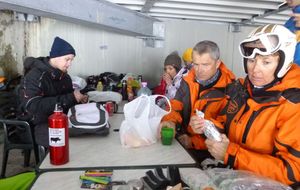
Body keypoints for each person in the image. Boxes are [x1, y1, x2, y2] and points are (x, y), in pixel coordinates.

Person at [191, 24, 300, 186]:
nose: (255, 69)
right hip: (233, 178)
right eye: (251, 60)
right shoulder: (241, 89)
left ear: (283, 63)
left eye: (266, 62)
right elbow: (224, 123)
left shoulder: (293, 104)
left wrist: (232, 155)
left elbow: (292, 172)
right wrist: (205, 125)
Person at [159, 41, 235, 162]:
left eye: (205, 65)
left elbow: (227, 132)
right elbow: (176, 104)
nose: (199, 70)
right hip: (183, 147)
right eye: (196, 64)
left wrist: (193, 142)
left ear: (217, 64)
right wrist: (170, 121)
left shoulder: (230, 89)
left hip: (210, 155)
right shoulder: (188, 80)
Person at [19, 36, 88, 147]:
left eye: (71, 60)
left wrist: (79, 99)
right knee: (63, 141)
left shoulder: (64, 77)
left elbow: (68, 99)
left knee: (86, 132)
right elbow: (33, 106)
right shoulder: (35, 75)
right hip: (35, 123)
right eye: (67, 59)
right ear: (56, 57)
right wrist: (71, 98)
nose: (70, 63)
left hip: (59, 118)